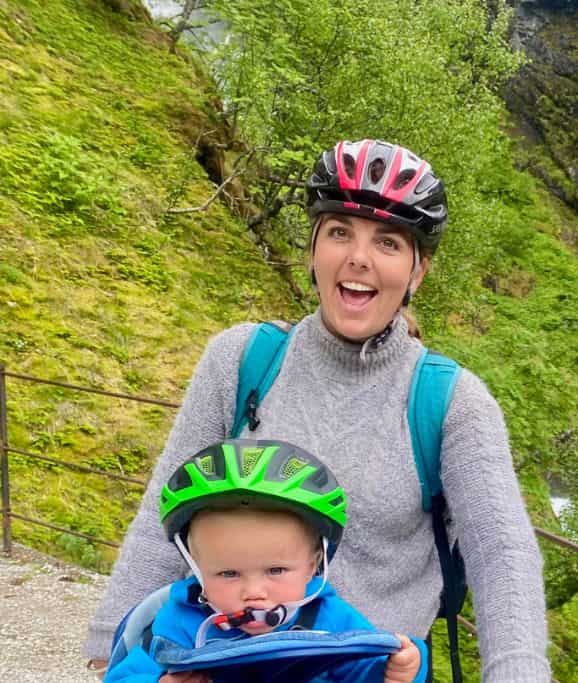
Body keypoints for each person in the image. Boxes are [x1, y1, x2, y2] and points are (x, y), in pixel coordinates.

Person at [85, 138, 550, 681]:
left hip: (374, 671)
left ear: (417, 273)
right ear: (312, 251)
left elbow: (502, 554)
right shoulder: (241, 360)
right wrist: (113, 640)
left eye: (389, 242)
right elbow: (164, 509)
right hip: (234, 660)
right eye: (339, 233)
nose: (359, 257)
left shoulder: (452, 403)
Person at [105, 439, 424, 683]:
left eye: (276, 570)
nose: (254, 591)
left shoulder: (330, 620)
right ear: (197, 567)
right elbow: (125, 675)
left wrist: (398, 669)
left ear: (315, 564)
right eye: (229, 573)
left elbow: (364, 665)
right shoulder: (180, 623)